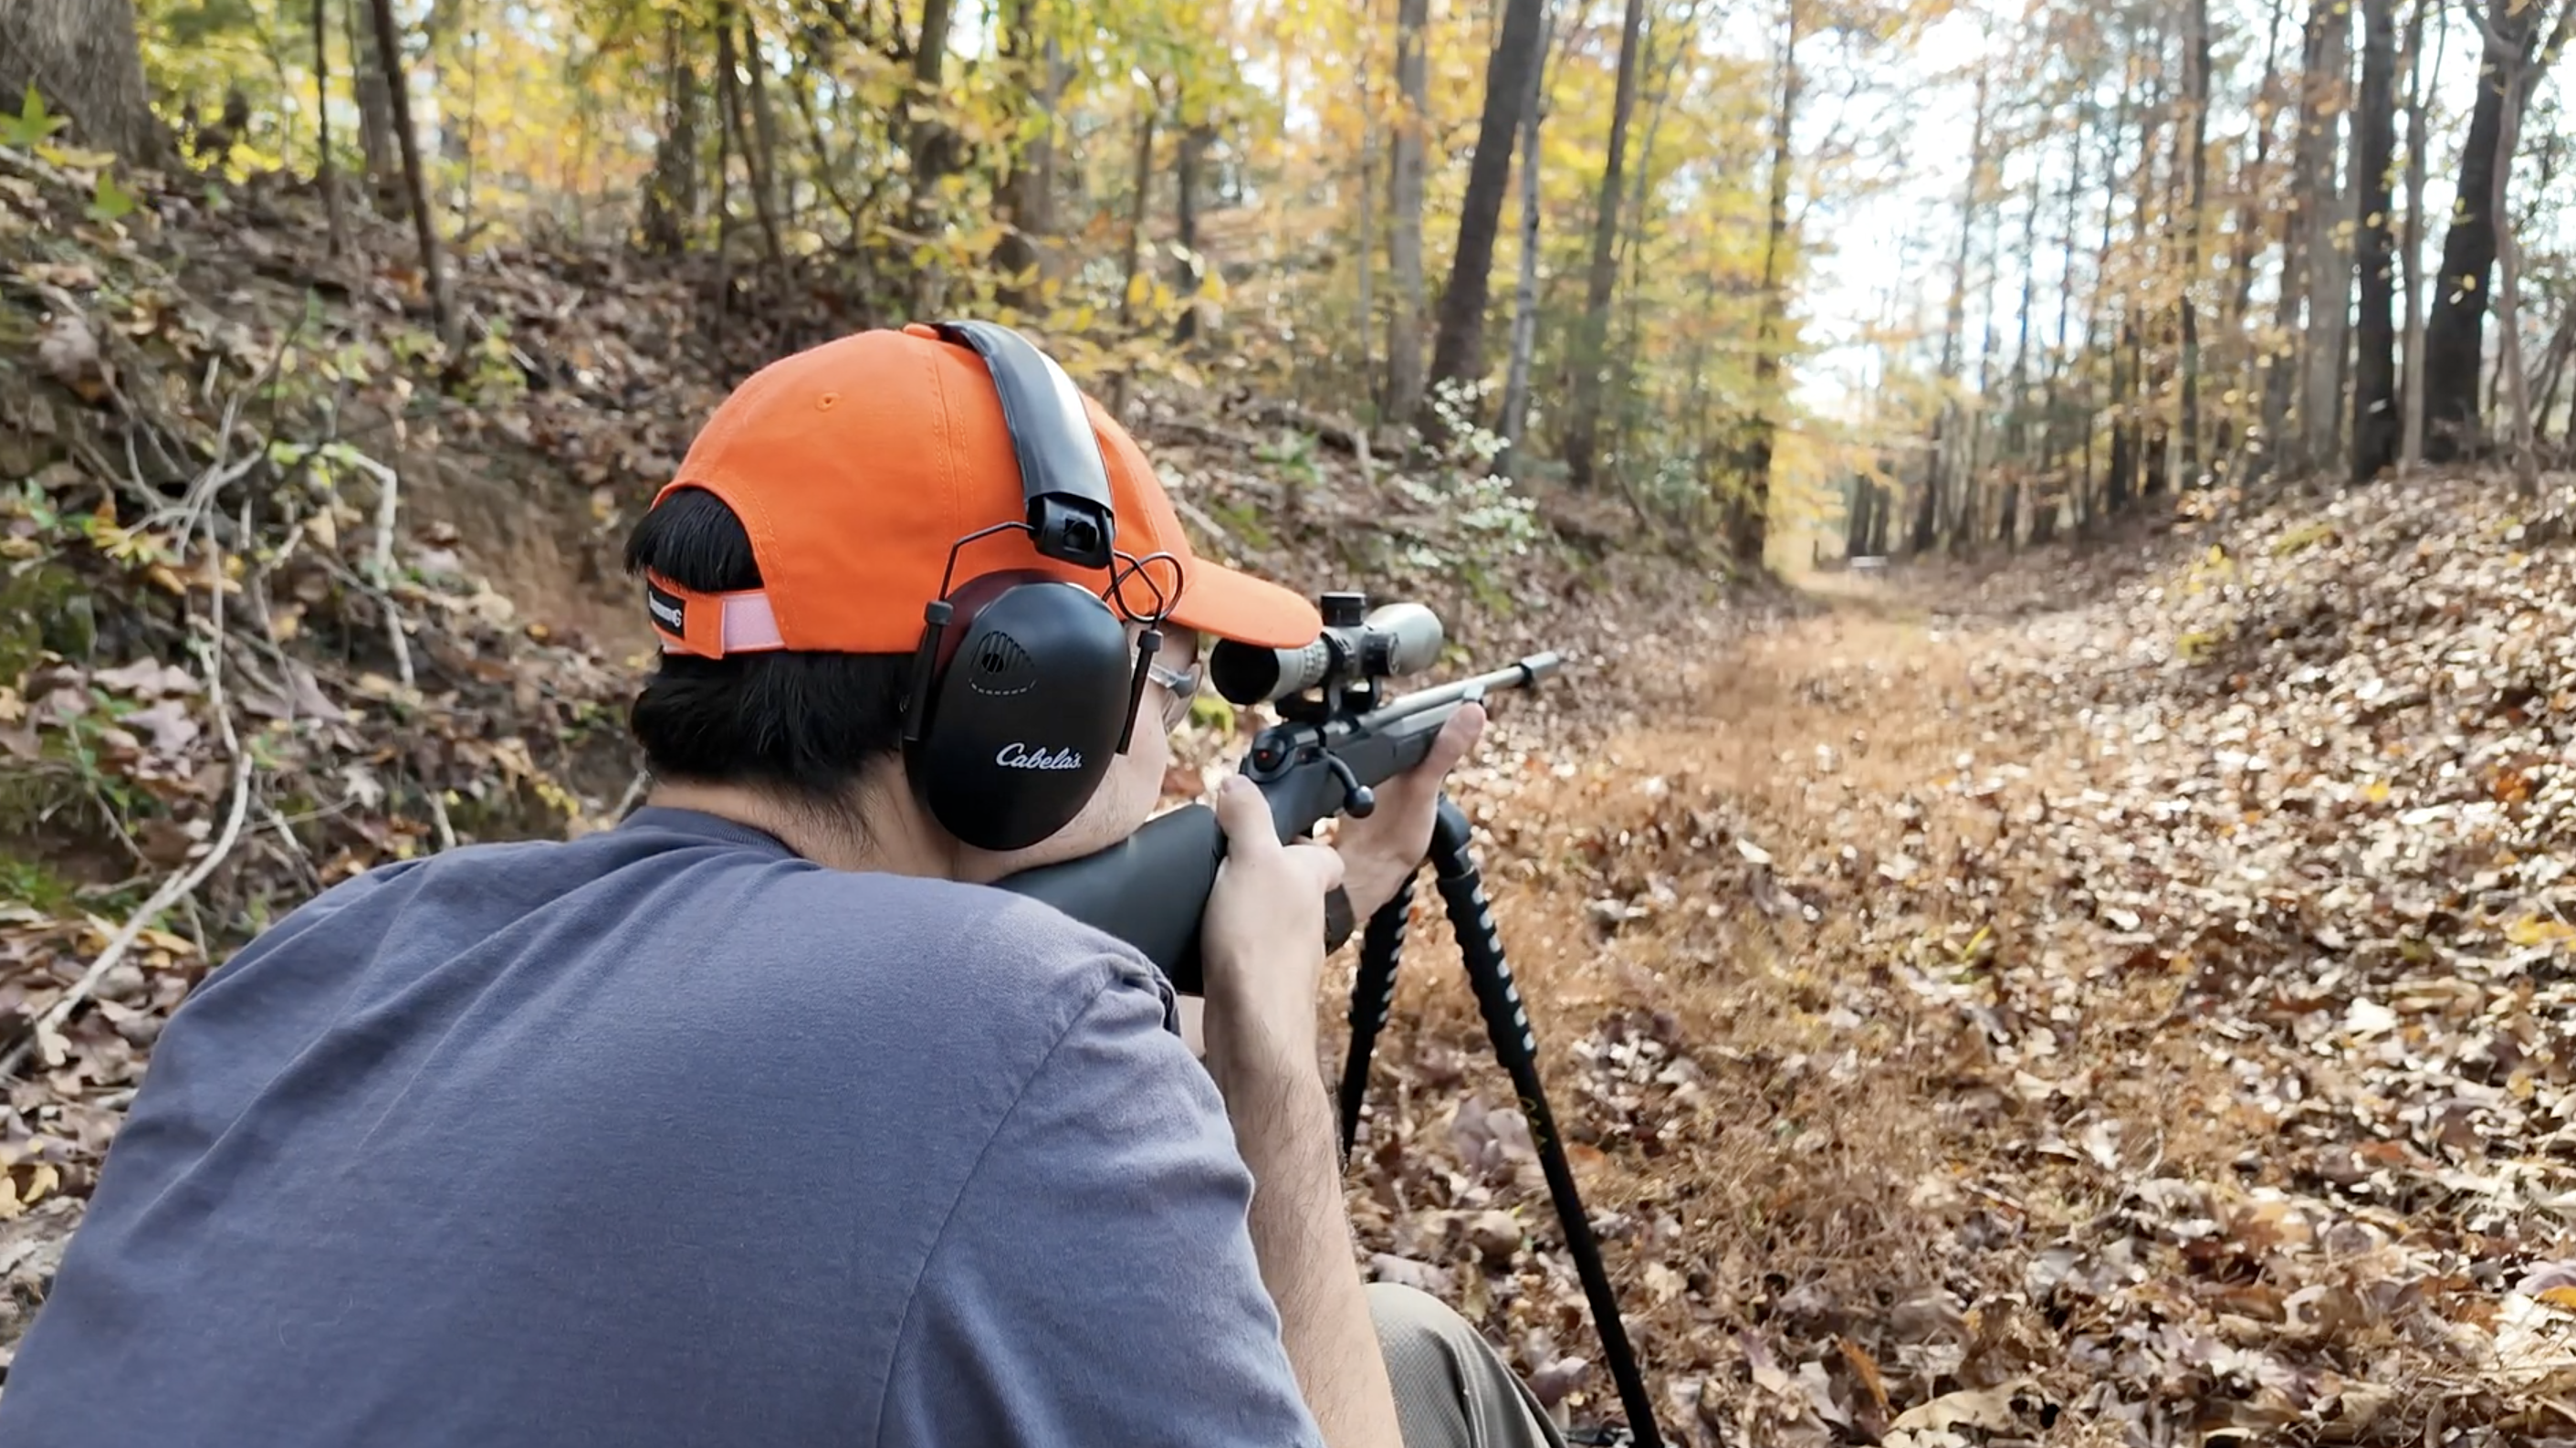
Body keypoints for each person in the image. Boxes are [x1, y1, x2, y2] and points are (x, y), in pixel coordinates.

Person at [0, 323, 1568, 1448]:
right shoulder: (1033, 1023)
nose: (1178, 744)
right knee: (1420, 1355)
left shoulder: (328, 951)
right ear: (1021, 698)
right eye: (1157, 677)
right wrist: (1269, 1070)